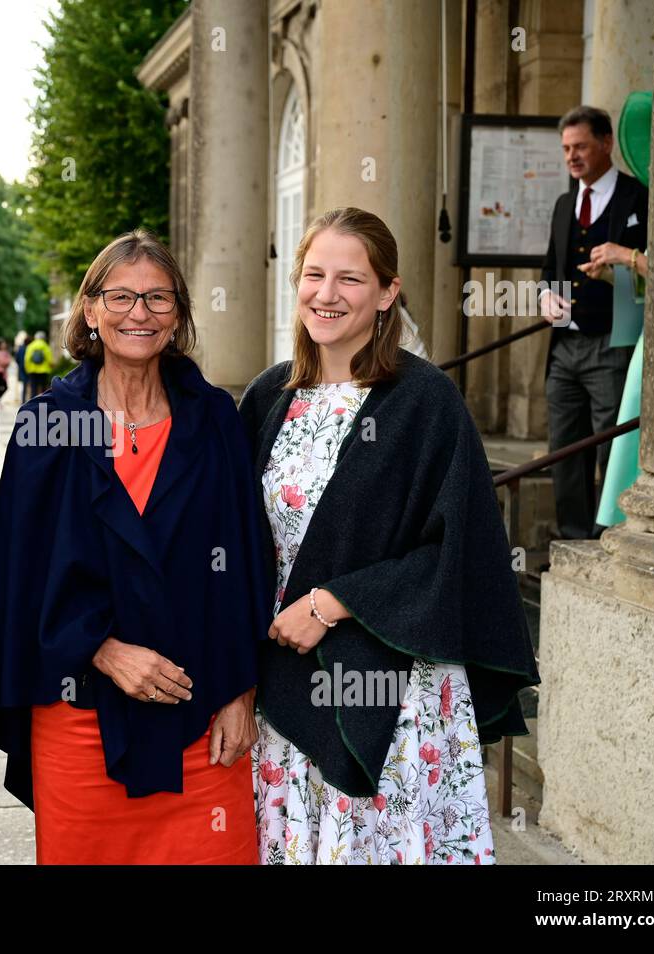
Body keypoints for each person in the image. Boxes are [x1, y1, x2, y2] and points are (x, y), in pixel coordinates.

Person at [238, 208, 540, 864]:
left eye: (350, 278)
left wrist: (331, 602)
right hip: (282, 679)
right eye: (314, 274)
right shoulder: (268, 397)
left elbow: (457, 549)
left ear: (387, 292)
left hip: (393, 688)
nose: (327, 294)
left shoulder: (425, 401)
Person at [0, 230, 267, 865]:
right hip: (80, 716)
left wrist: (242, 691)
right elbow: (16, 576)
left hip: (201, 712)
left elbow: (245, 565)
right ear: (91, 311)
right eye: (121, 296)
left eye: (158, 298)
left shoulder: (214, 420)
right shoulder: (48, 424)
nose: (139, 313)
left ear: (178, 314)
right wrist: (100, 648)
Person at [538, 105, 648, 539]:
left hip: (613, 343)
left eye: (580, 146)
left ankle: (611, 537)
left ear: (606, 143)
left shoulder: (639, 196)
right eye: (566, 148)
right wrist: (546, 295)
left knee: (610, 445)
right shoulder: (566, 203)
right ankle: (573, 538)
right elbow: (550, 268)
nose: (572, 156)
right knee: (564, 448)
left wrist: (624, 260)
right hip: (564, 347)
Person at [23, 329, 53, 396]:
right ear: (44, 338)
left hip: (32, 371)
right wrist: (51, 367)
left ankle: (33, 405)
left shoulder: (30, 346)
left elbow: (27, 359)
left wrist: (28, 369)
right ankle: (42, 406)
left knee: (33, 389)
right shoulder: (45, 346)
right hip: (44, 371)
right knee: (43, 391)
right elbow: (49, 360)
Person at [13, 330, 29, 403]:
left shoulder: (20, 348)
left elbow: (16, 359)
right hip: (29, 368)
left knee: (24, 385)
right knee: (29, 385)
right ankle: (28, 399)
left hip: (22, 368)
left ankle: (23, 400)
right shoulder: (29, 348)